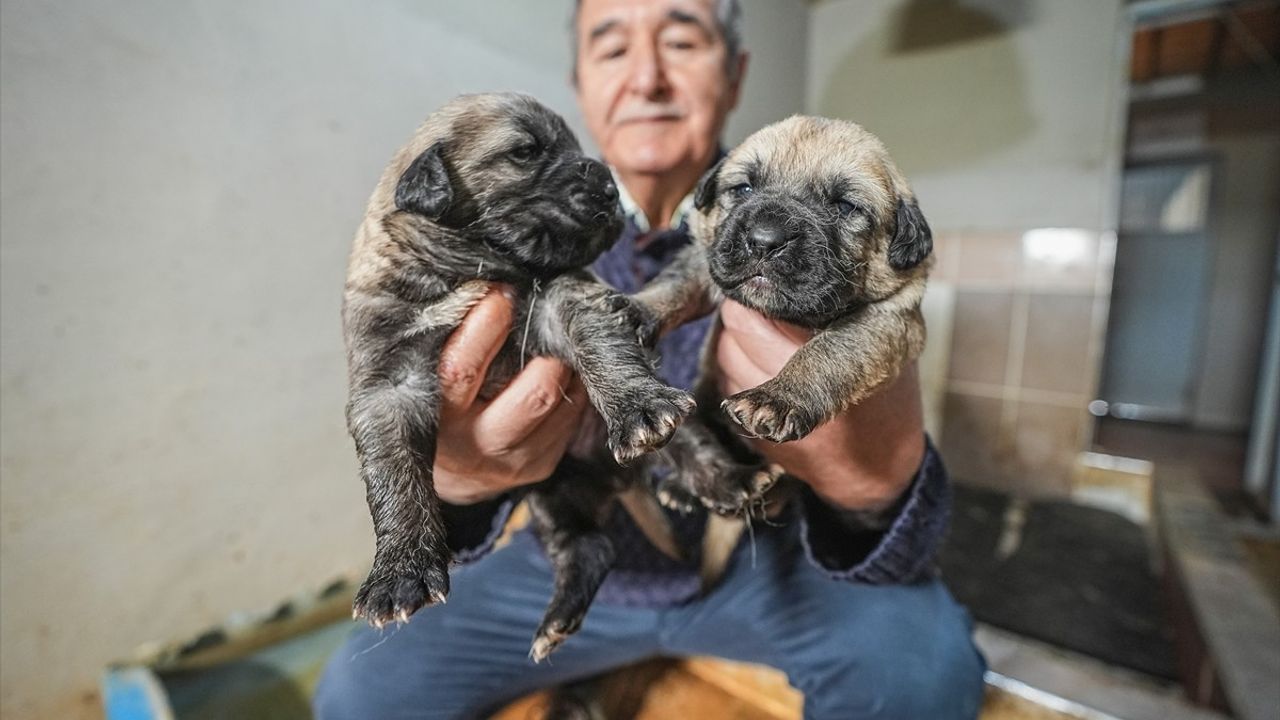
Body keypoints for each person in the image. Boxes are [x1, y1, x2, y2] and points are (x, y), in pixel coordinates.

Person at [314, 1, 986, 717]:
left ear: (735, 74)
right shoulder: (522, 224)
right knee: (361, 691)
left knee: (925, 674)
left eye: (680, 39)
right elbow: (439, 406)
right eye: (611, 47)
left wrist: (877, 483)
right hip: (565, 553)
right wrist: (461, 484)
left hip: (767, 559)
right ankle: (582, 655)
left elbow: (901, 535)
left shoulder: (841, 220)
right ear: (580, 81)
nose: (647, 77)